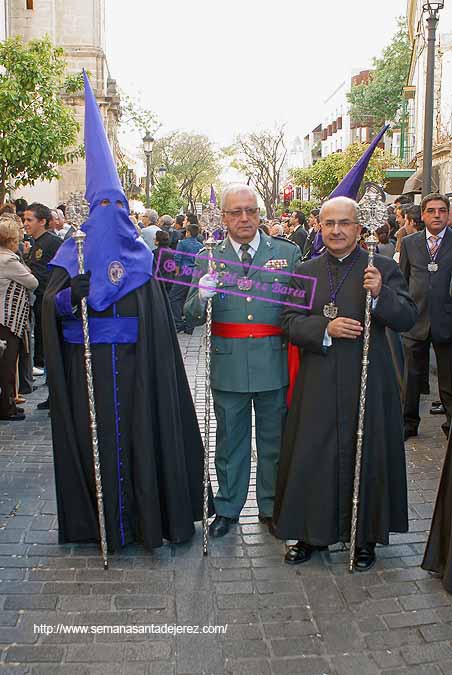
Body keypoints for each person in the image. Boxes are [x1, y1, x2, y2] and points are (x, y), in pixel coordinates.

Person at [42, 71, 210, 552]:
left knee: (138, 441)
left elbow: (156, 323)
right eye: (103, 203)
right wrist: (69, 295)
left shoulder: (141, 259)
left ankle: (144, 520)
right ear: (89, 209)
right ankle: (95, 523)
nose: (112, 211)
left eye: (120, 203)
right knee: (93, 444)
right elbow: (49, 313)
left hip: (138, 371)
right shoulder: (67, 256)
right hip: (84, 369)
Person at [273, 196, 418, 571]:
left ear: (358, 227)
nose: (336, 230)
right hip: (318, 378)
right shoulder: (304, 270)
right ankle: (309, 533)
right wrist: (325, 328)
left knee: (366, 452)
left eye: (345, 223)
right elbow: (286, 321)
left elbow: (407, 317)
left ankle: (364, 536)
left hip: (368, 378)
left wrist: (379, 295)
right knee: (312, 454)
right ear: (320, 226)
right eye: (329, 223)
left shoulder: (381, 266)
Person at [184, 183, 301, 538]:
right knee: (229, 442)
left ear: (260, 214)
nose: (244, 218)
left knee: (273, 441)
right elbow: (189, 314)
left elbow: (300, 307)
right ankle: (228, 507)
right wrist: (202, 295)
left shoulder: (287, 253)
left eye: (250, 210)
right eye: (236, 212)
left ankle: (270, 505)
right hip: (229, 363)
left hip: (272, 361)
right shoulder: (208, 255)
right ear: (224, 217)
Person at [400, 193, 452, 440]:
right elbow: (403, 279)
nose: (437, 215)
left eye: (442, 210)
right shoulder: (410, 243)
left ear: (448, 214)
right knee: (410, 378)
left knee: (448, 380)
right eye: (431, 211)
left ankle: (449, 426)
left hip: (446, 321)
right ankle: (408, 424)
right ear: (423, 215)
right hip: (415, 320)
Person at [0, 216, 38, 420]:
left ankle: (9, 402)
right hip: (7, 320)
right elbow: (33, 282)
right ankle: (6, 407)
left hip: (6, 319)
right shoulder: (9, 260)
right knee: (7, 366)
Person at [23, 203, 62, 377]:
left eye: (29, 220)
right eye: (25, 219)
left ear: (42, 221)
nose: (25, 223)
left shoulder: (51, 242)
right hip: (39, 300)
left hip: (48, 299)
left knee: (49, 345)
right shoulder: (37, 243)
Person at [169, 223, 203, 334]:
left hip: (184, 272)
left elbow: (177, 259)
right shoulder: (199, 245)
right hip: (195, 273)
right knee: (190, 298)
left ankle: (178, 323)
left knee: (174, 297)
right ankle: (189, 325)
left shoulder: (182, 243)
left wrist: (177, 273)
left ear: (188, 232)